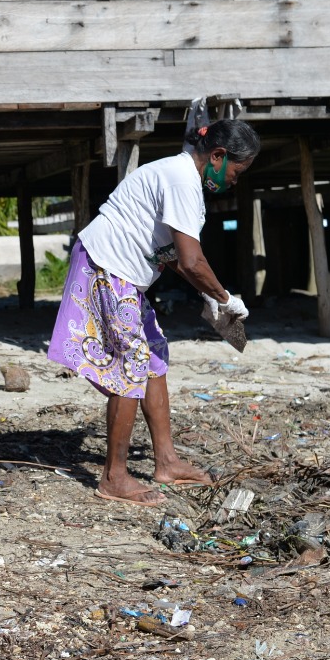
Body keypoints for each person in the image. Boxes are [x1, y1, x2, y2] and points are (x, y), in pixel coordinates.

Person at [47, 118, 261, 507]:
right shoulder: (181, 178)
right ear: (217, 155)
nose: (234, 180)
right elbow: (193, 261)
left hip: (125, 273)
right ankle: (114, 476)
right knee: (129, 365)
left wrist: (209, 295)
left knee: (154, 357)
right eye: (236, 170)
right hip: (106, 267)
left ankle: (166, 462)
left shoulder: (183, 179)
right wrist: (225, 298)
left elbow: (174, 256)